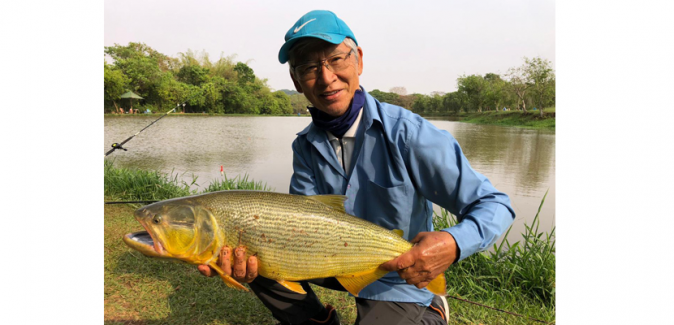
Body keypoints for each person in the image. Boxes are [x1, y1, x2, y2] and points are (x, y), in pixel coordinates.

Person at [199, 10, 515, 325]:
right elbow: (302, 215)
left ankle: (433, 308)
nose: (326, 77)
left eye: (336, 59)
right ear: (296, 81)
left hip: (398, 277)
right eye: (309, 67)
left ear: (359, 60)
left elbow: (493, 204)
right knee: (256, 256)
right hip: (328, 261)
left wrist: (453, 243)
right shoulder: (304, 146)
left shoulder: (409, 134)